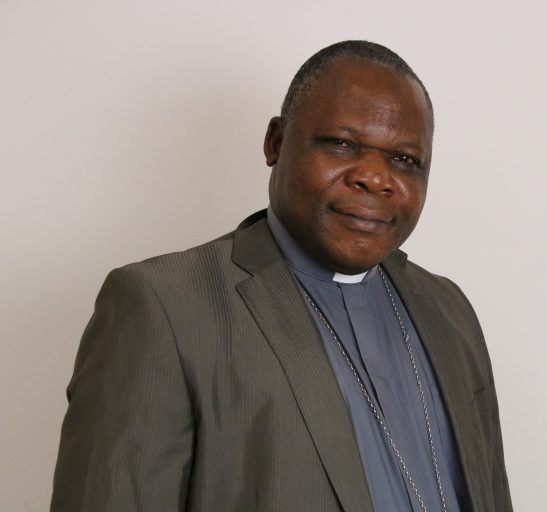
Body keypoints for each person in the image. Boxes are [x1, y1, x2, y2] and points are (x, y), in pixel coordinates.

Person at [51, 40, 513, 512]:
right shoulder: (164, 308)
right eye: (342, 143)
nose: (375, 178)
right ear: (275, 142)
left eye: (404, 160)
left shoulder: (448, 308)